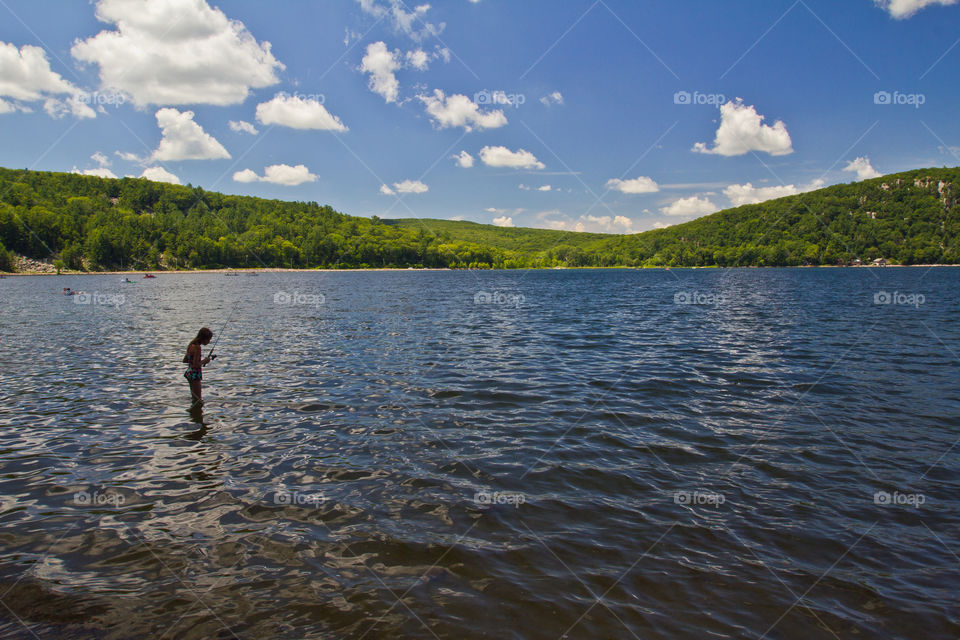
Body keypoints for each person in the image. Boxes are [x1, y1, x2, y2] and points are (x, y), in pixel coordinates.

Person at [183, 327, 217, 405]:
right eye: (208, 340)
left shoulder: (191, 345)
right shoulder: (197, 348)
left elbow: (185, 360)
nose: (209, 342)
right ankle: (197, 414)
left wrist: (199, 361)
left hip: (189, 373)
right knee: (198, 401)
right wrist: (204, 361)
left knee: (195, 399)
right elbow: (196, 365)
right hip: (195, 374)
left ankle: (194, 415)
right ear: (204, 338)